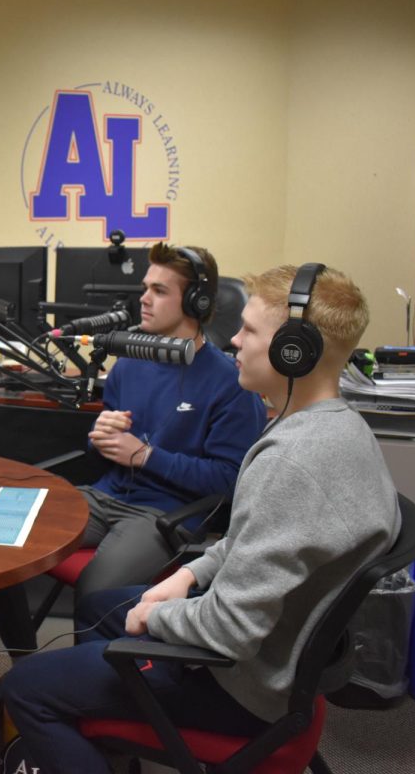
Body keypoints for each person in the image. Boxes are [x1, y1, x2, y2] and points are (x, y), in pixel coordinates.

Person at [1, 263, 400, 774]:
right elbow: (249, 539)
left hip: (239, 687)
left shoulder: (292, 461)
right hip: (271, 658)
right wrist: (189, 575)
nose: (234, 339)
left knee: (24, 688)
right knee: (102, 605)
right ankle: (108, 734)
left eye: (250, 330)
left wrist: (157, 617)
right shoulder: (340, 430)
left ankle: (95, 713)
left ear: (293, 350)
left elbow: (228, 631)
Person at [73, 242, 266, 598]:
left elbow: (230, 481)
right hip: (104, 497)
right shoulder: (128, 363)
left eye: (159, 291)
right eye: (145, 288)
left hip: (162, 515)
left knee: (96, 591)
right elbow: (101, 455)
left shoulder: (231, 382)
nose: (144, 298)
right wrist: (99, 439)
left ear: (196, 301)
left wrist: (147, 456)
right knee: (4, 538)